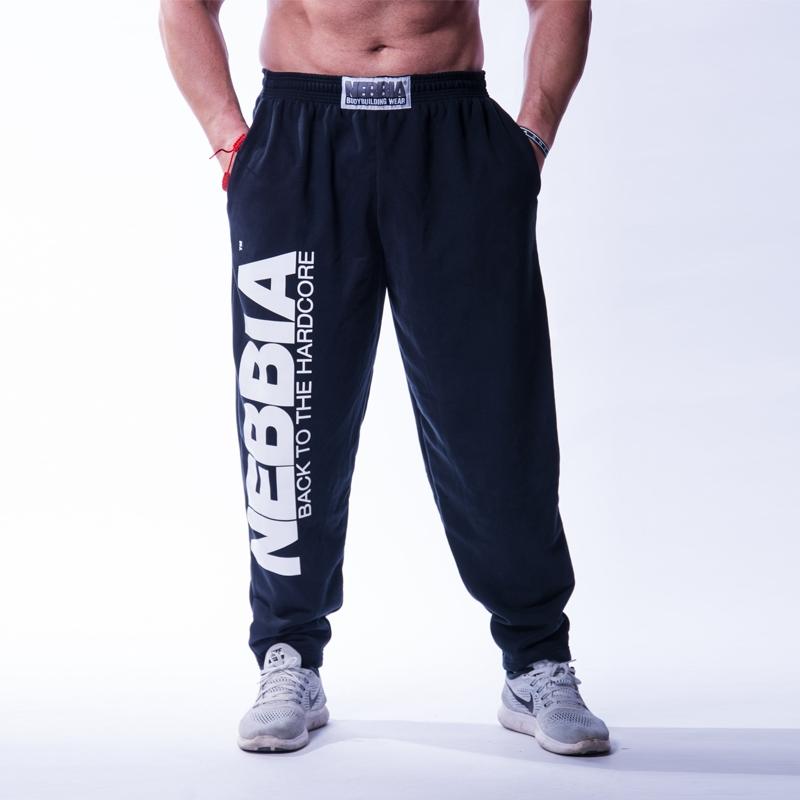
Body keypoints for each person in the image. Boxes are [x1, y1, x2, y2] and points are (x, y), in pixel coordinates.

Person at [158, 0, 610, 757]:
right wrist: (228, 138)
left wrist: (532, 135)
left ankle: (537, 659)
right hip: (300, 131)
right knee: (288, 409)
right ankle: (289, 656)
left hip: (452, 131)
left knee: (495, 416)